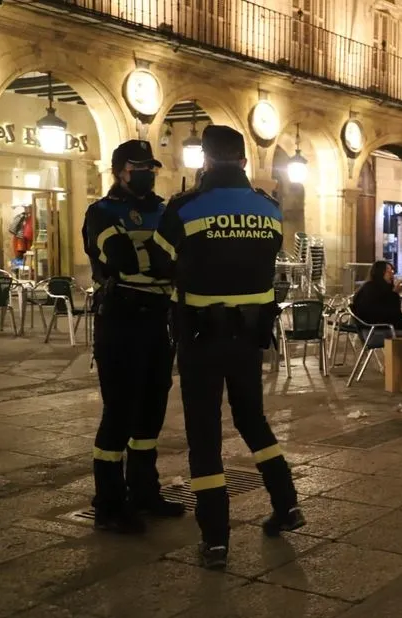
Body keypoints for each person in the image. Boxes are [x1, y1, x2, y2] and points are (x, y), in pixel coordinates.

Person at [144, 126, 303, 569]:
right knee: (253, 420)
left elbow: (159, 261)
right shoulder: (268, 209)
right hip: (250, 337)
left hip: (201, 336)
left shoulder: (186, 208)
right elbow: (267, 256)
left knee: (205, 434)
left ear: (206, 162)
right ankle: (287, 504)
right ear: (245, 161)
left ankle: (215, 538)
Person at [81, 140, 183, 534]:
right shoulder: (101, 212)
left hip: (159, 318)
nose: (147, 173)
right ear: (120, 170)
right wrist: (162, 259)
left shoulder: (164, 210)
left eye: (151, 167)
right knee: (119, 414)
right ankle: (108, 502)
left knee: (151, 412)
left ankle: (143, 491)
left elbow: (177, 259)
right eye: (139, 167)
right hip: (121, 318)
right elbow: (121, 259)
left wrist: (159, 261)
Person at [351, 261, 402, 337]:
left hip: (371, 329)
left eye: (392, 271)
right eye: (389, 272)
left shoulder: (372, 287)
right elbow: (390, 314)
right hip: (375, 330)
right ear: (380, 273)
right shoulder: (372, 290)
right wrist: (394, 293)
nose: (392, 275)